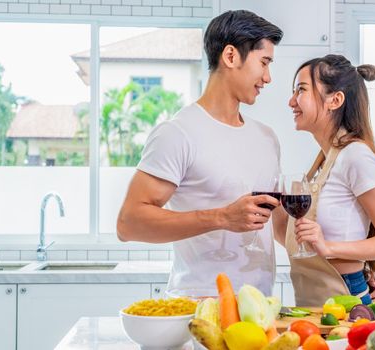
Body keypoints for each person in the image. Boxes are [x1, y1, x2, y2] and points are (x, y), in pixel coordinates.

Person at [116, 10, 284, 297]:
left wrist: (340, 265)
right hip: (198, 308)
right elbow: (129, 223)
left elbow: (278, 226)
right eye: (264, 63)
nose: (268, 77)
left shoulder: (267, 137)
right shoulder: (178, 133)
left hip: (260, 307)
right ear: (230, 56)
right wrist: (221, 217)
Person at [273, 54, 375, 306]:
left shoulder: (356, 155)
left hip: (344, 300)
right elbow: (301, 241)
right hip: (315, 303)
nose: (292, 101)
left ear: (334, 100)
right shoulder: (321, 162)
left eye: (301, 90)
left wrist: (330, 248)